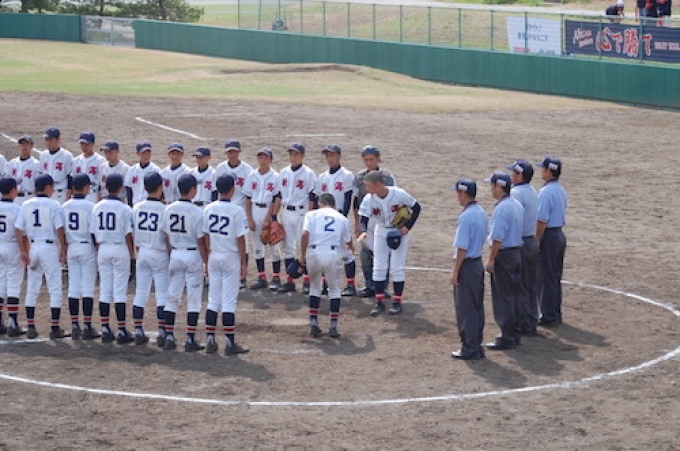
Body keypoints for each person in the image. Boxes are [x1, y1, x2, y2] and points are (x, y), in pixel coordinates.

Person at [15, 174, 70, 339]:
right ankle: (54, 328)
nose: (53, 190)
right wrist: (63, 247)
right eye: (52, 187)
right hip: (49, 248)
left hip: (33, 248)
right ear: (47, 188)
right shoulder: (54, 204)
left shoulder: (26, 204)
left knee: (32, 288)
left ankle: (30, 326)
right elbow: (59, 228)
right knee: (55, 288)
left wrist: (23, 250)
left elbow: (18, 229)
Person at [358, 170, 421, 316]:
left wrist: (407, 227)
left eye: (368, 186)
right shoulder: (369, 199)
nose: (366, 189)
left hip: (399, 231)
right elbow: (363, 219)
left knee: (396, 267)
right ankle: (379, 302)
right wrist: (363, 231)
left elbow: (417, 207)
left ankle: (397, 302)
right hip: (381, 231)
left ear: (378, 184)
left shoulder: (398, 193)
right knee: (379, 267)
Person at [203, 174, 250, 355]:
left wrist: (207, 257)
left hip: (214, 254)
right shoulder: (237, 211)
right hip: (230, 257)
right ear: (233, 189)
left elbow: (205, 235)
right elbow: (241, 239)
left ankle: (210, 340)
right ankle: (230, 344)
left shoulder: (208, 208)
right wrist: (244, 262)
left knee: (213, 300)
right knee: (228, 302)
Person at [162, 174, 208, 352]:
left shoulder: (169, 208)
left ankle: (169, 336)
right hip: (193, 254)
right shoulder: (197, 212)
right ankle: (190, 339)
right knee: (194, 298)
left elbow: (166, 235)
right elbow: (201, 241)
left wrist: (171, 253)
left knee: (172, 297)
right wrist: (206, 261)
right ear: (193, 190)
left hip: (176, 253)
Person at [90, 173, 135, 344]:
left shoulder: (97, 207)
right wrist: (132, 257)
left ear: (106, 187)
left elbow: (93, 233)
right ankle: (122, 330)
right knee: (119, 291)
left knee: (105, 290)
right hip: (119, 248)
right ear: (121, 188)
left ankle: (105, 328)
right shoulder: (125, 209)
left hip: (103, 248)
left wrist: (99, 249)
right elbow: (128, 235)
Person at [300, 193, 353, 338]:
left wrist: (302, 256)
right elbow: (348, 240)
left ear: (320, 203)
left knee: (315, 288)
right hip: (331, 253)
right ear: (334, 205)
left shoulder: (311, 214)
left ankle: (313, 324)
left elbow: (304, 234)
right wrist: (352, 249)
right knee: (334, 289)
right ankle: (333, 326)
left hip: (313, 252)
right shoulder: (341, 218)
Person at [484, 172, 524, 351]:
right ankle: (514, 333)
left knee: (503, 296)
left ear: (499, 187)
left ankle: (507, 336)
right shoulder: (516, 204)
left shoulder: (501, 209)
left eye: (492, 186)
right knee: (514, 294)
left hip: (504, 255)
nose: (491, 189)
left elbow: (497, 238)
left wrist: (491, 259)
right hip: (516, 253)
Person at [450, 179, 487, 360]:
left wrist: (455, 271)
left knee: (466, 308)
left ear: (463, 194)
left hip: (467, 265)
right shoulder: (481, 212)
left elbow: (462, 247)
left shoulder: (466, 216)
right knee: (476, 306)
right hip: (477, 263)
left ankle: (469, 347)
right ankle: (476, 344)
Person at [352, 145, 397, 298]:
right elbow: (356, 203)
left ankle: (382, 287)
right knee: (365, 254)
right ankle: (369, 285)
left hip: (383, 219)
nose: (369, 163)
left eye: (372, 159)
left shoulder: (387, 177)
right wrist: (357, 224)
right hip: (366, 218)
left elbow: (393, 199)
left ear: (378, 159)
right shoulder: (359, 178)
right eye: (366, 160)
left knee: (383, 254)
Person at [132, 172, 170, 346]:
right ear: (160, 187)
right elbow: (167, 236)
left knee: (140, 293)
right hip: (159, 253)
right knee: (162, 295)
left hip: (143, 252)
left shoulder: (136, 207)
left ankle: (138, 330)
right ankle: (162, 331)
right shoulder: (164, 209)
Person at [315, 144, 358, 297]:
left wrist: (343, 218)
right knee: (324, 252)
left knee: (346, 253)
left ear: (339, 156)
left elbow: (348, 199)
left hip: (339, 218)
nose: (330, 158)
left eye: (332, 155)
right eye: (327, 156)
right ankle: (325, 285)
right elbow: (318, 200)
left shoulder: (347, 176)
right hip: (324, 220)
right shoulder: (322, 177)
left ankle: (351, 285)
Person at [62, 174, 100, 340]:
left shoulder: (64, 206)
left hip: (71, 247)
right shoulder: (91, 206)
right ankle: (87, 326)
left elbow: (61, 229)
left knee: (73, 287)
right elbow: (93, 231)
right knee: (87, 288)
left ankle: (74, 325)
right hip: (87, 247)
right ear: (85, 187)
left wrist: (64, 247)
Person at [275, 143, 317, 293]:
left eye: (296, 154)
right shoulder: (283, 172)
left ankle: (307, 280)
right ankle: (290, 280)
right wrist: (274, 215)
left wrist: (309, 215)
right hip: (286, 212)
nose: (293, 157)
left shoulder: (309, 173)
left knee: (303, 246)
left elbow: (312, 196)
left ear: (302, 156)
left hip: (302, 212)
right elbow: (278, 195)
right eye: (291, 154)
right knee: (287, 247)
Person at [242, 147, 283, 291]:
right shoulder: (252, 175)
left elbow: (277, 198)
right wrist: (249, 219)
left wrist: (270, 217)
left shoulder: (276, 176)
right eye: (260, 157)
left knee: (273, 245)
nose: (263, 160)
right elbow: (247, 198)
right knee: (257, 246)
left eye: (266, 157)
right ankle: (262, 277)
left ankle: (276, 278)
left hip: (268, 210)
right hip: (255, 210)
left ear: (271, 160)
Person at [506, 160, 539, 337]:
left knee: (519, 286)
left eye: (514, 173)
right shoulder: (532, 191)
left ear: (520, 176)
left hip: (520, 243)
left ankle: (523, 323)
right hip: (531, 241)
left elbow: (514, 220)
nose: (512, 175)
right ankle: (532, 319)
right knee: (531, 284)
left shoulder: (515, 194)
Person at [216, 140, 253, 289]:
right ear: (226, 153)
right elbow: (217, 190)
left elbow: (249, 194)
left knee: (243, 242)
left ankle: (242, 277)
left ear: (239, 152)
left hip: (240, 210)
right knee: (225, 241)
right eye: (230, 152)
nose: (232, 154)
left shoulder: (247, 169)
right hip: (224, 208)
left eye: (235, 152)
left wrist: (249, 215)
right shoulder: (220, 168)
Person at [535, 156, 567, 327]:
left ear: (549, 171)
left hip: (549, 237)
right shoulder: (560, 189)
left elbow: (542, 220)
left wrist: (536, 240)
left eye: (543, 169)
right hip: (558, 235)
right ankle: (555, 312)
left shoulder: (546, 192)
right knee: (554, 276)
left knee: (546, 276)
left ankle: (549, 315)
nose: (541, 171)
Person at [0, 178, 25, 337]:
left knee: (1, 282)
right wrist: (24, 251)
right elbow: (20, 232)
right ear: (12, 190)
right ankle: (13, 323)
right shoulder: (17, 209)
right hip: (12, 246)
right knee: (14, 284)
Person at [39, 127, 73, 204]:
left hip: (60, 194)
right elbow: (40, 175)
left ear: (58, 139)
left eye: (50, 139)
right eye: (46, 139)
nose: (48, 142)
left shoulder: (67, 156)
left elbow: (70, 178)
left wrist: (68, 198)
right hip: (45, 194)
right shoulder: (43, 155)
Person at [7, 135, 40, 206]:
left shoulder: (36, 164)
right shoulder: (12, 163)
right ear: (19, 146)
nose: (24, 146)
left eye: (27, 144)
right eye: (22, 144)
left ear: (32, 146)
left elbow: (38, 185)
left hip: (29, 197)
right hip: (14, 199)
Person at [72, 131, 105, 203]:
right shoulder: (76, 160)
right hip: (78, 195)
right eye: (82, 144)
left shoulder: (100, 160)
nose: (84, 146)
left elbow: (101, 183)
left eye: (87, 144)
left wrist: (99, 200)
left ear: (93, 144)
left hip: (93, 195)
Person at [124, 141, 161, 206]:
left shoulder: (156, 170)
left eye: (148, 153)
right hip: (135, 205)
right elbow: (128, 189)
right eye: (143, 153)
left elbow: (160, 189)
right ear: (137, 154)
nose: (146, 156)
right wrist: (130, 205)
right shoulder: (132, 170)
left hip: (150, 205)